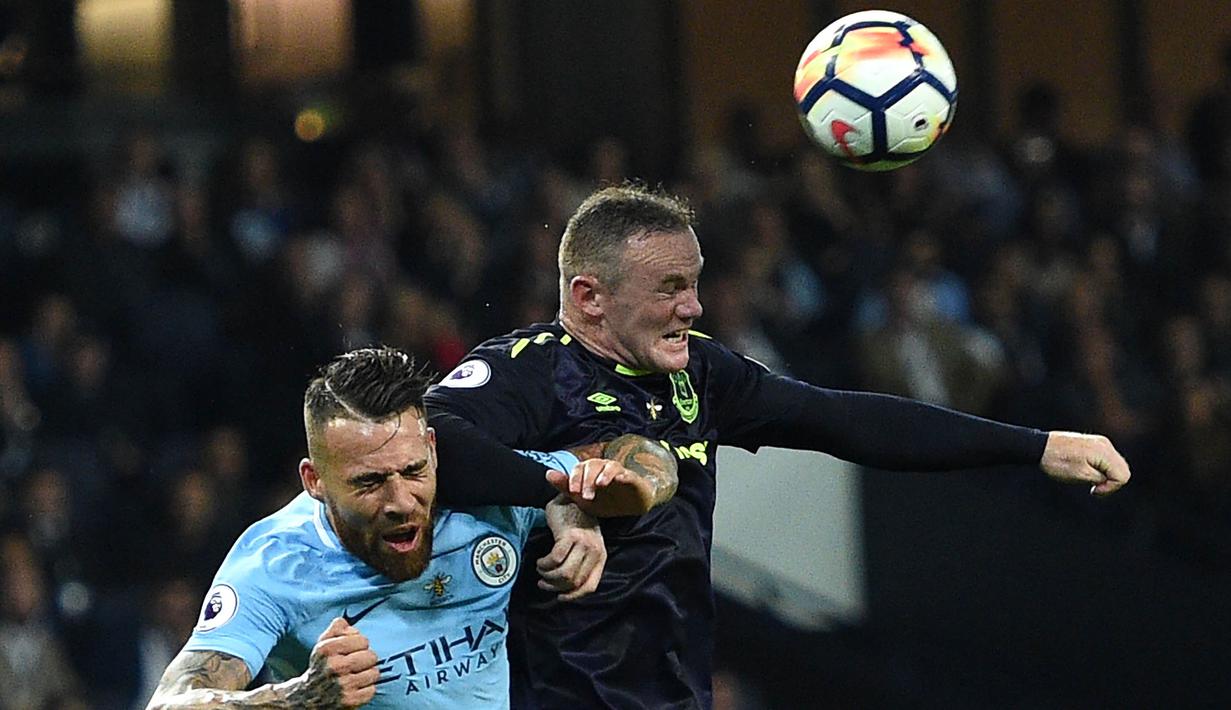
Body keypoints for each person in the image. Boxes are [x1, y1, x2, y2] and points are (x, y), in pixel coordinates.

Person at [423, 183, 1132, 709]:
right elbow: (434, 442)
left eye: (693, 286)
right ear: (589, 298)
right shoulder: (528, 370)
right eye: (669, 289)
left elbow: (842, 419)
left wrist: (1035, 445)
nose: (692, 308)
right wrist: (557, 493)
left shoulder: (703, 373)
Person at [145, 346, 677, 709]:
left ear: (433, 449)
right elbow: (171, 701)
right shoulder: (276, 563)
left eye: (413, 471)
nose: (402, 502)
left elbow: (646, 455)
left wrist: (578, 506)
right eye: (370, 482)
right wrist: (298, 698)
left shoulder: (490, 500)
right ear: (314, 481)